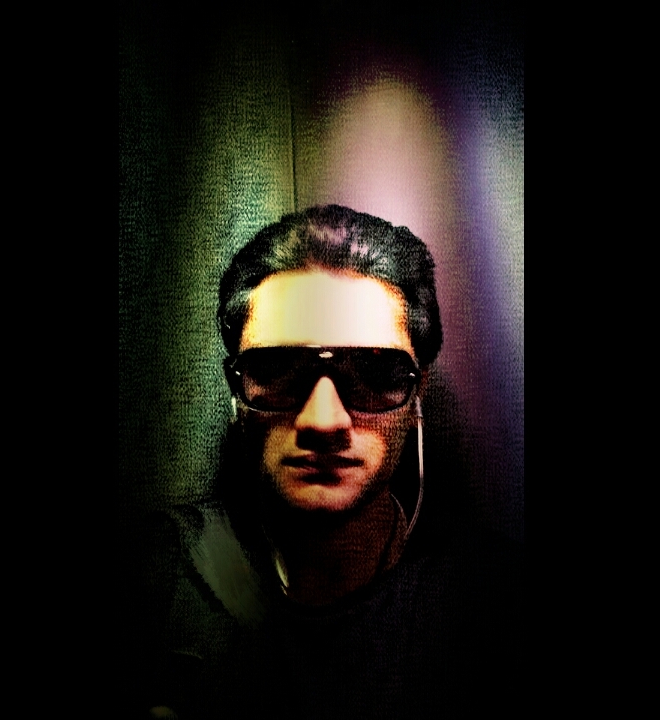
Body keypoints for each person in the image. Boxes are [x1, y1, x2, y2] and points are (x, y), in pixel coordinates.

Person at [136, 205, 523, 719]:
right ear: (237, 393)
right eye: (276, 369)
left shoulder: (496, 602)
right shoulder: (157, 575)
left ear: (417, 395)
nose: (324, 420)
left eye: (376, 372)